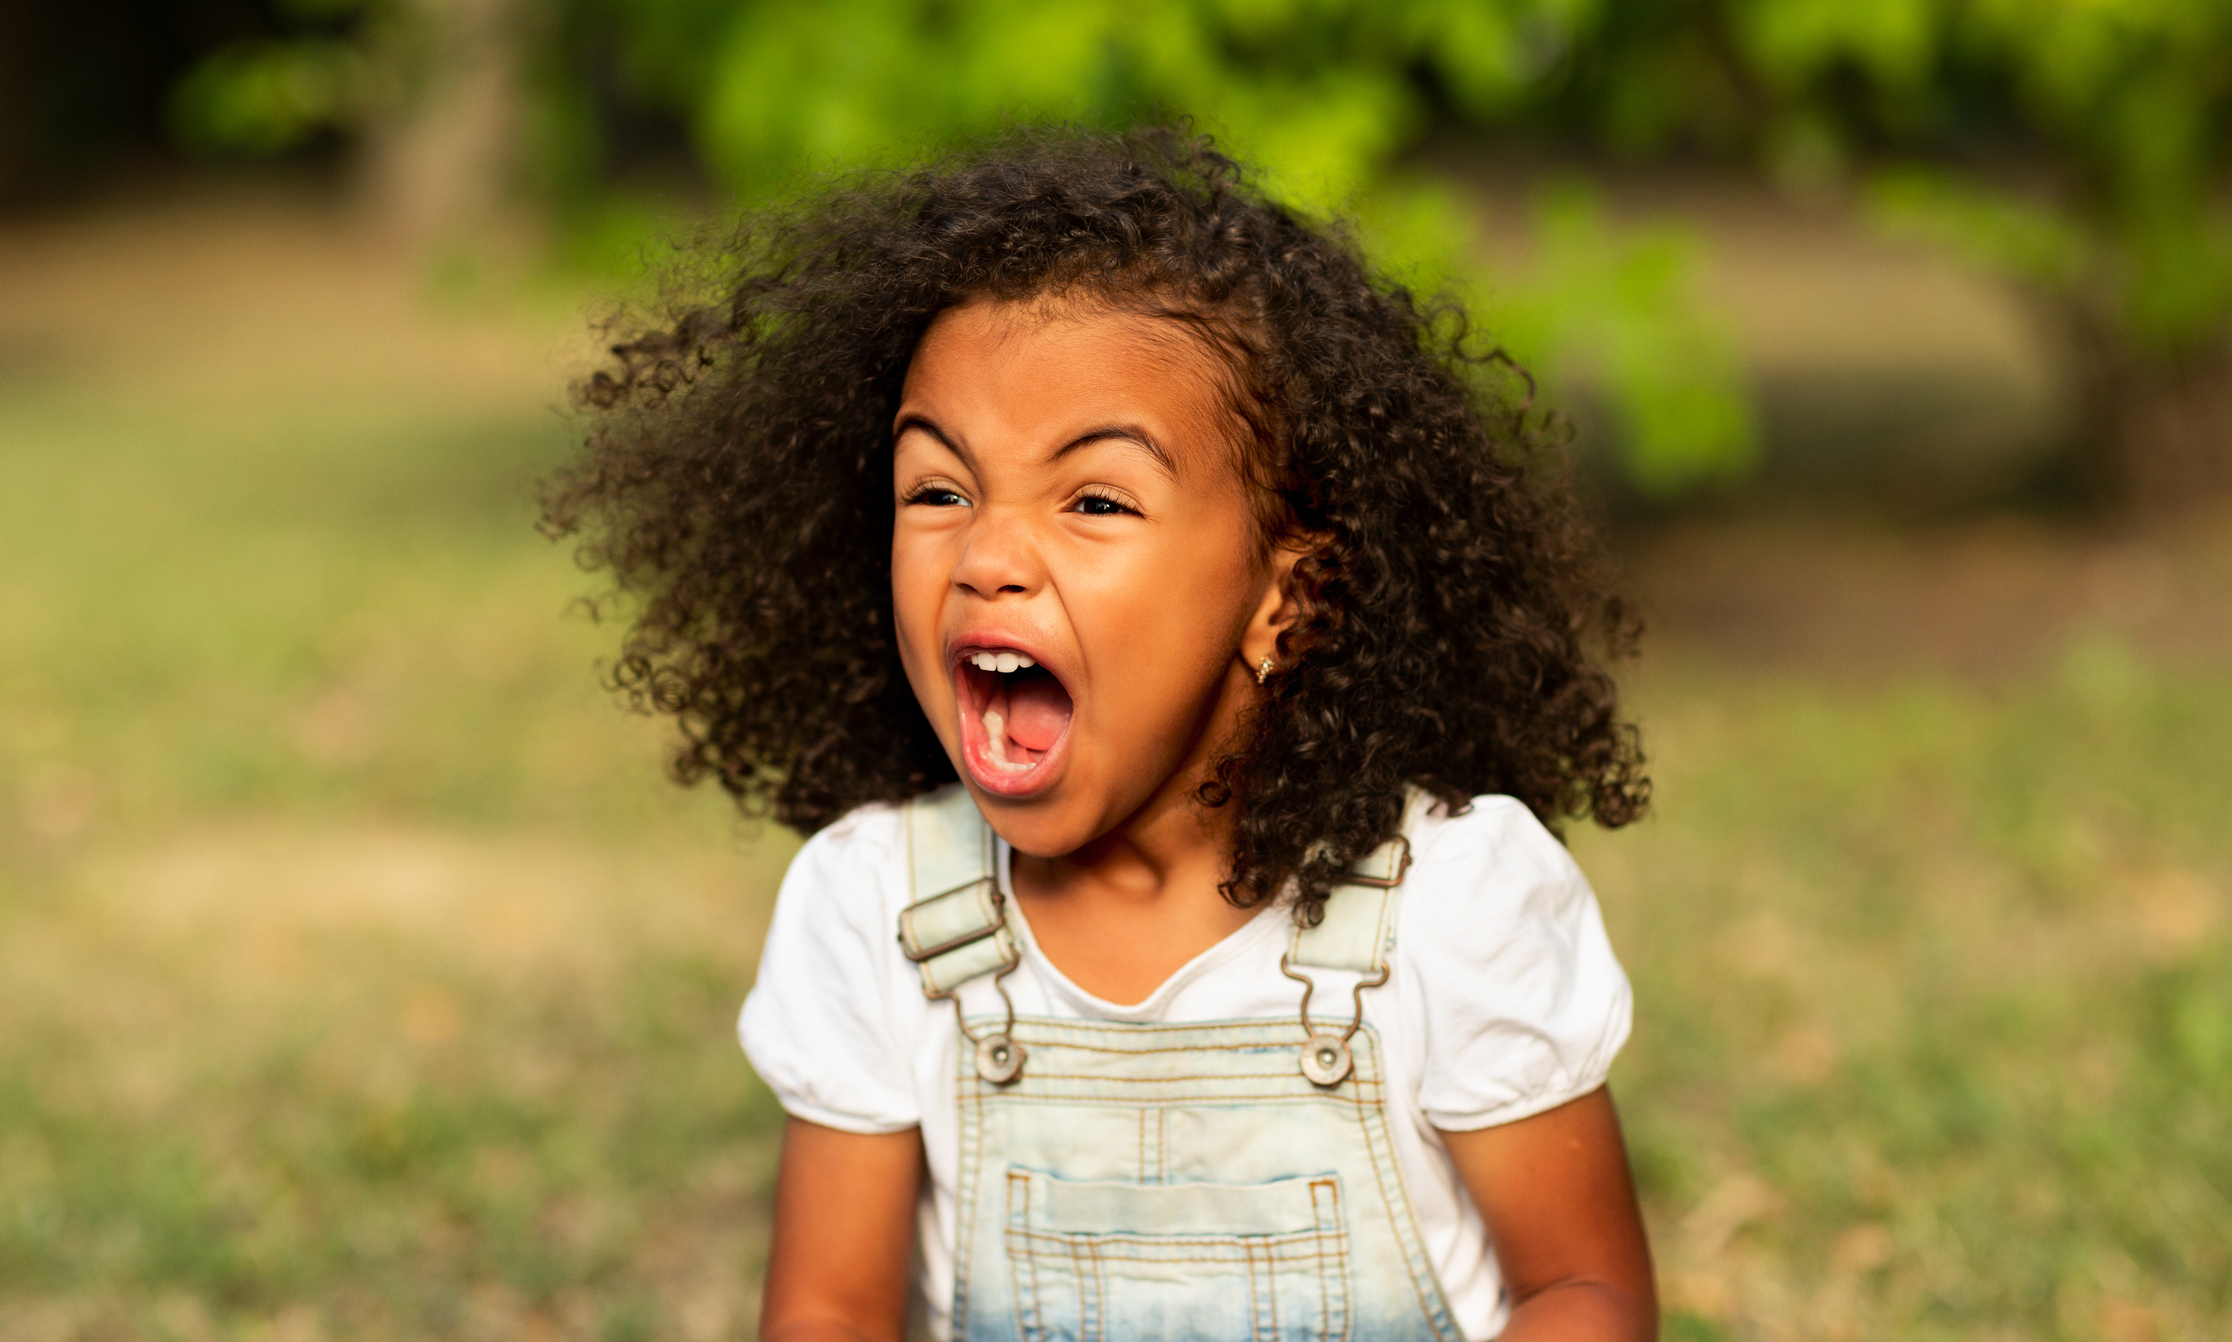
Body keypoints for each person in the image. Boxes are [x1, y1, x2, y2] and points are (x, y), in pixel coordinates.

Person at [545, 124, 1657, 1342]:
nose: (988, 556)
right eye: (939, 490)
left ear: (1285, 600)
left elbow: (1583, 1294)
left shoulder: (1450, 903)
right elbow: (827, 1314)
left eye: (1095, 500)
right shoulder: (878, 906)